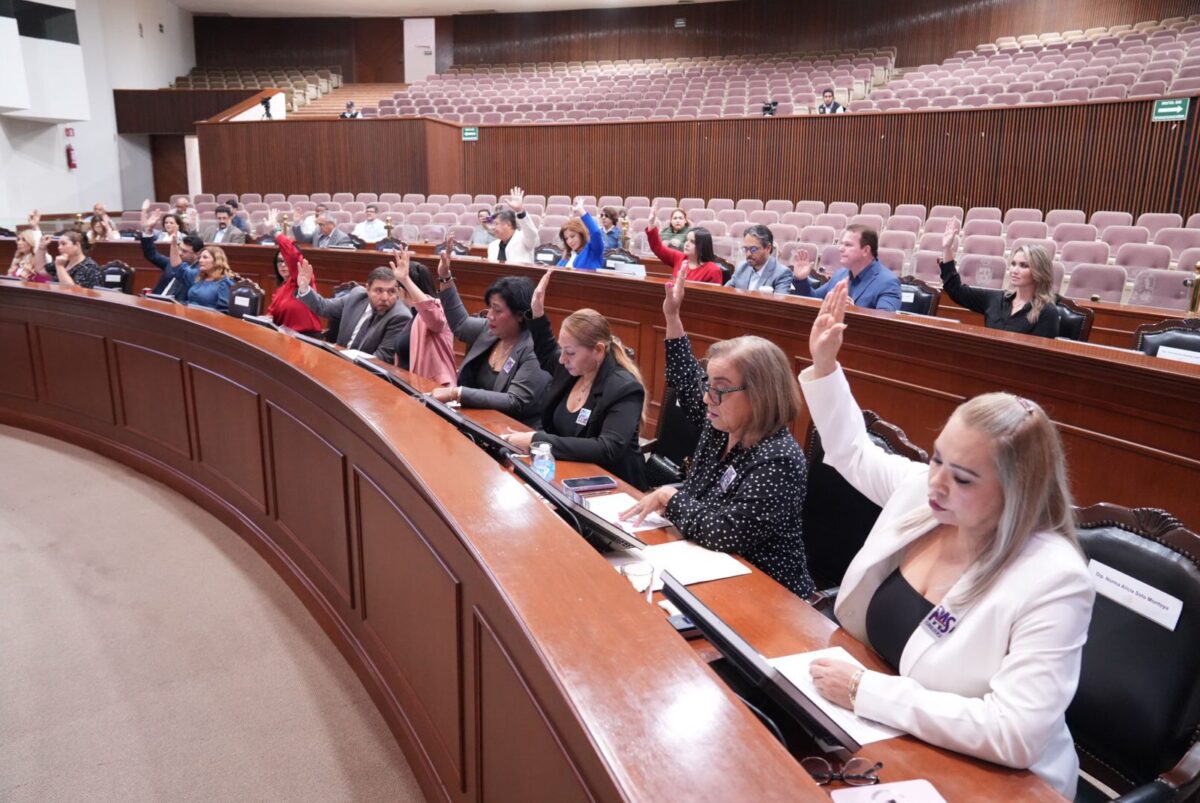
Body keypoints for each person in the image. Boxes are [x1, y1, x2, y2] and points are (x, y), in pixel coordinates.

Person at [801, 280, 1093, 798]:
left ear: (1016, 493)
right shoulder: (924, 496)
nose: (935, 481)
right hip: (887, 746)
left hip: (996, 783)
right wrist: (826, 366)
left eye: (962, 477)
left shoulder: (1054, 579)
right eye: (937, 458)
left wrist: (865, 691)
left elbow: (1015, 733)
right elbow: (852, 453)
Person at [621, 268, 813, 596]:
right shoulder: (722, 425)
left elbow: (726, 532)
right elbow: (685, 380)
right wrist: (672, 316)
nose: (708, 397)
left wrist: (670, 496)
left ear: (760, 394)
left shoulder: (777, 459)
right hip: (707, 568)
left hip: (767, 593)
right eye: (708, 386)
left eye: (719, 389)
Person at [504, 271, 647, 489]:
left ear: (598, 350)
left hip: (612, 487)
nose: (562, 360)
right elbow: (546, 351)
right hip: (566, 475)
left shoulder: (624, 388)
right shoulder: (571, 369)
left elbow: (607, 448)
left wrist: (538, 440)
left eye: (570, 353)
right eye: (563, 350)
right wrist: (537, 312)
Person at [430, 255, 550, 426]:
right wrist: (445, 277)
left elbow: (514, 401)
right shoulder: (490, 330)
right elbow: (460, 324)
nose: (490, 316)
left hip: (514, 433)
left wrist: (458, 393)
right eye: (490, 308)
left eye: (497, 310)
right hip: (479, 423)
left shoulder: (535, 349)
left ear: (520, 315)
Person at [938, 219, 1060, 338]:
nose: (1014, 270)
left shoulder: (1047, 312)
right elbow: (956, 291)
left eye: (1023, 265)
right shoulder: (996, 299)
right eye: (1013, 264)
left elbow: (1038, 355)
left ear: (1039, 271)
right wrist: (947, 249)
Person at [295, 260, 410, 362]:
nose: (385, 297)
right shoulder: (357, 296)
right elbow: (323, 306)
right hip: (339, 360)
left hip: (366, 374)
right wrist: (304, 288)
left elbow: (381, 359)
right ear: (368, 289)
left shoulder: (400, 316)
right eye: (379, 290)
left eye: (391, 292)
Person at [790, 224, 901, 311]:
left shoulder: (888, 282)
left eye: (848, 245)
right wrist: (801, 280)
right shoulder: (840, 274)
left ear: (866, 250)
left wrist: (855, 311)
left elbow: (885, 323)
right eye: (841, 244)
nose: (841, 249)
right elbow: (814, 300)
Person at [387, 249, 457, 386]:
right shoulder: (414, 315)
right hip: (409, 387)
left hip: (433, 390)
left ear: (401, 290)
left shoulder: (437, 309)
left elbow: (433, 316)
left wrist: (405, 280)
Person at [267, 228, 325, 335]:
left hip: (307, 337)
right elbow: (271, 316)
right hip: (285, 338)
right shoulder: (280, 291)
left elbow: (293, 256)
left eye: (285, 260)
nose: (283, 265)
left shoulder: (302, 279)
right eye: (279, 261)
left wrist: (277, 233)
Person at [139, 208, 203, 302]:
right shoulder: (171, 262)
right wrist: (149, 230)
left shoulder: (200, 272)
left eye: (185, 251)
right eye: (180, 249)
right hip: (155, 302)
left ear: (197, 254)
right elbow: (151, 254)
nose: (180, 253)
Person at [169, 238, 236, 311]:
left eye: (205, 257)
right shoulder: (198, 276)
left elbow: (224, 312)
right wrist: (173, 244)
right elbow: (179, 268)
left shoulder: (225, 282)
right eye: (200, 257)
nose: (200, 260)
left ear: (217, 261)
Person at [646, 224, 725, 284]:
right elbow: (658, 248)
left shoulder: (713, 270)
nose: (686, 244)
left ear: (702, 246)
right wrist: (651, 224)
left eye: (692, 241)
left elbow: (713, 299)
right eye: (687, 240)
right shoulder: (680, 257)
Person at [725, 225, 793, 294]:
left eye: (753, 249)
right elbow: (724, 293)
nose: (748, 254)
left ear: (768, 248)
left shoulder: (781, 273)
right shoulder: (742, 267)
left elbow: (779, 303)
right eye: (745, 249)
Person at [487, 187, 539, 265]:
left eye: (496, 224)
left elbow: (531, 232)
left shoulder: (524, 239)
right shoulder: (492, 246)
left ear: (508, 224)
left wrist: (520, 211)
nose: (493, 228)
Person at [557, 198, 606, 270]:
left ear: (581, 234)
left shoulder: (592, 251)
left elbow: (596, 233)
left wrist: (581, 211)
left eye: (572, 236)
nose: (569, 241)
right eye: (566, 238)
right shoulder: (567, 255)